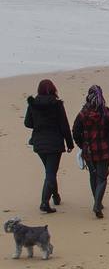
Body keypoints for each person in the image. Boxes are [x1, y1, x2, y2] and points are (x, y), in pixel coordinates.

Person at [24, 79, 72, 214]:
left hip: (39, 143)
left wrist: (38, 121)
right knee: (51, 172)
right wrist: (70, 143)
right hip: (54, 143)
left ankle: (56, 197)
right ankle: (44, 202)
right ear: (53, 89)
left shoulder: (33, 104)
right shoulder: (57, 105)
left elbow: (28, 123)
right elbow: (64, 125)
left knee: (49, 171)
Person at [72, 85, 109, 219]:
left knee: (93, 176)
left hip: (89, 151)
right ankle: (97, 204)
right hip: (105, 150)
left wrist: (82, 145)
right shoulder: (106, 113)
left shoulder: (83, 114)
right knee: (102, 178)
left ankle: (97, 201)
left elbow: (75, 131)